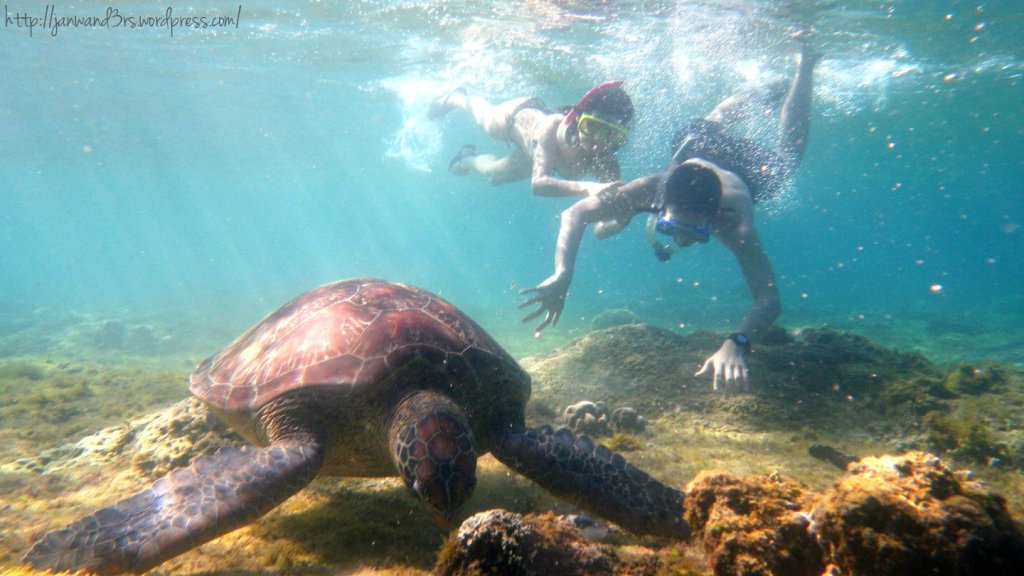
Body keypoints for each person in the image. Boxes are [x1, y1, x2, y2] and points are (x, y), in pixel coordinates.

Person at [520, 43, 817, 391]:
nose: (680, 240)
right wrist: (562, 275)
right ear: (660, 203)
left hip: (749, 171)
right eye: (671, 227)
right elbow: (574, 214)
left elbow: (769, 300)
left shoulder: (734, 221)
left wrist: (737, 343)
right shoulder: (651, 188)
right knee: (712, 121)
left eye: (694, 233)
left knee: (788, 155)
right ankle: (764, 90)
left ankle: (805, 66)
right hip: (696, 146)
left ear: (714, 220)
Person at [428, 81, 634, 198]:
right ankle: (456, 98)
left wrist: (621, 212)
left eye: (610, 135)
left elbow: (604, 224)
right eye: (591, 126)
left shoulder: (607, 162)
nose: (597, 141)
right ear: (576, 117)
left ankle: (467, 159)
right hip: (516, 119)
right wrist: (591, 188)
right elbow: (539, 184)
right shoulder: (551, 127)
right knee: (484, 117)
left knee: (494, 176)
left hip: (536, 155)